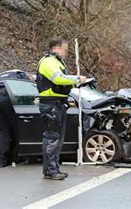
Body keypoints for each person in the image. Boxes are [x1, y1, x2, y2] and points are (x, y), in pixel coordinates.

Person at [36, 38, 86, 180]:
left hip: (58, 103)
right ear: (56, 48)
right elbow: (58, 79)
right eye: (65, 49)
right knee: (52, 138)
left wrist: (74, 83)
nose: (66, 52)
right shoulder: (48, 62)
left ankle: (52, 169)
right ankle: (51, 170)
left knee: (56, 138)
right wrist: (77, 79)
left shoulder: (56, 62)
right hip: (51, 104)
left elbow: (62, 82)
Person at [0, 70, 33, 168]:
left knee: (2, 131)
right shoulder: (22, 76)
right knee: (18, 129)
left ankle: (1, 161)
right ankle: (16, 158)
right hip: (9, 99)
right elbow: (27, 93)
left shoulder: (3, 76)